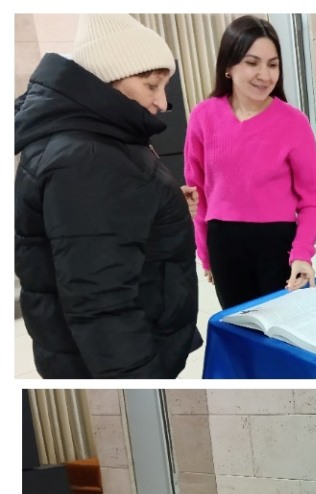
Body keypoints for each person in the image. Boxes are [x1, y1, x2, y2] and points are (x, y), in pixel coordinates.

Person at [15, 14, 201, 378]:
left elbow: (98, 234)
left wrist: (162, 208)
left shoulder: (87, 138)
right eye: (151, 85)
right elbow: (101, 301)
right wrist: (141, 384)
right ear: (108, 77)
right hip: (121, 359)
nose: (162, 102)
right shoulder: (88, 157)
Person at [184, 15, 316, 309]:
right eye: (253, 63)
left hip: (279, 248)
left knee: (284, 326)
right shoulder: (203, 116)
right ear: (228, 66)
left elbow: (314, 201)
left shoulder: (293, 122)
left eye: (273, 64)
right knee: (239, 327)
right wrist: (205, 253)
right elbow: (196, 194)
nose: (265, 75)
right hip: (224, 246)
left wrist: (302, 252)